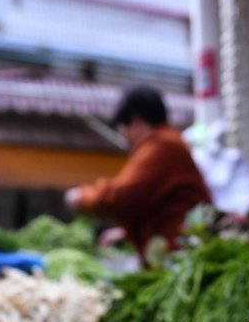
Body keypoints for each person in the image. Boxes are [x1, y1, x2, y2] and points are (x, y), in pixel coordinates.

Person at [64, 86, 211, 263]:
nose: (123, 137)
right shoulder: (169, 141)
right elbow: (158, 202)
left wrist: (81, 197)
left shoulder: (161, 146)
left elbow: (121, 197)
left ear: (137, 121)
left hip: (178, 254)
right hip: (177, 249)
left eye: (122, 128)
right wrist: (125, 232)